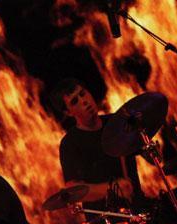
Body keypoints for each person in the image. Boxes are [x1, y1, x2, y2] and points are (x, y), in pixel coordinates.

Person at [50, 78, 146, 213]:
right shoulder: (70, 143)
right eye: (75, 101)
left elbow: (144, 151)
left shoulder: (117, 123)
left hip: (140, 209)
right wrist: (112, 188)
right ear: (68, 112)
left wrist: (149, 149)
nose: (84, 101)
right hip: (106, 218)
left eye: (82, 94)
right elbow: (73, 190)